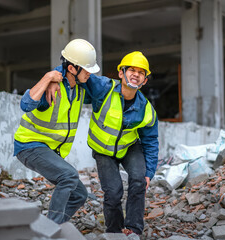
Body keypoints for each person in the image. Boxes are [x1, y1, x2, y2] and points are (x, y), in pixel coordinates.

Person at [49, 51, 158, 235]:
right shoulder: (103, 88)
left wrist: (149, 172)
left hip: (130, 147)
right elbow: (73, 69)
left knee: (139, 181)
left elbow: (150, 141)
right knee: (114, 192)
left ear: (144, 81)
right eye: (131, 69)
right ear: (121, 73)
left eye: (141, 73)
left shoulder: (146, 110)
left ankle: (133, 230)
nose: (136, 74)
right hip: (103, 150)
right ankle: (115, 232)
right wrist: (53, 77)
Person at [13, 39, 100, 224]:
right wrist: (48, 78)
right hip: (29, 146)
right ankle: (50, 231)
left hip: (48, 150)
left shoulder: (80, 86)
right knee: (68, 175)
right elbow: (26, 104)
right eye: (86, 70)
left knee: (79, 194)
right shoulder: (51, 88)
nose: (89, 74)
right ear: (72, 69)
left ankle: (49, 226)